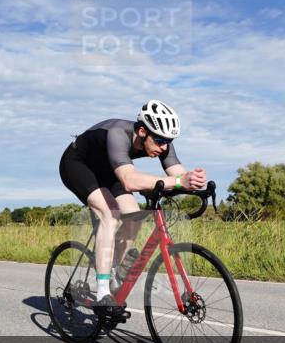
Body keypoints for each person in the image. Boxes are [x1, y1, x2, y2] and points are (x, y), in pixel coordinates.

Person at [58, 100, 206, 319]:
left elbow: (177, 174)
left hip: (109, 169)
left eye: (169, 141)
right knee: (109, 214)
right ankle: (102, 293)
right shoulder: (118, 133)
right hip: (78, 164)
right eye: (159, 140)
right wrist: (176, 182)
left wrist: (195, 183)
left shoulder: (161, 141)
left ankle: (114, 270)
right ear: (142, 131)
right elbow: (129, 180)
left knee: (133, 214)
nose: (164, 146)